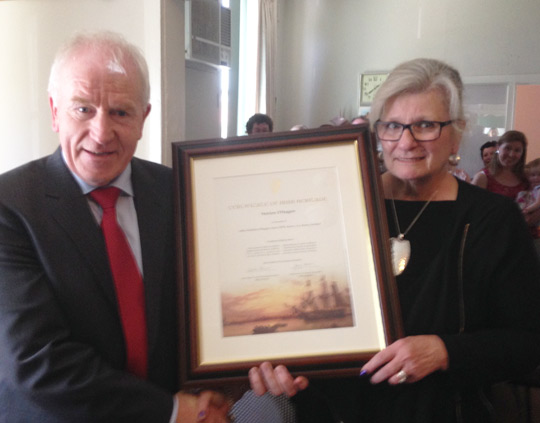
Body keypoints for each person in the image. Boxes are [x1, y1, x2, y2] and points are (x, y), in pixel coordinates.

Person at [248, 58, 540, 422]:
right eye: (392, 126)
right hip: (329, 411)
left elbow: (527, 343)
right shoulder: (334, 203)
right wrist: (271, 355)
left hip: (440, 412)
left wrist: (445, 351)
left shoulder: (493, 220)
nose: (406, 141)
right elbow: (291, 303)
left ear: (456, 132)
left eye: (425, 125)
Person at [0, 31, 230, 422]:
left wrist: (231, 379)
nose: (101, 132)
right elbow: (37, 359)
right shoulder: (10, 206)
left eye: (120, 112)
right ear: (55, 112)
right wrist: (172, 412)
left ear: (144, 117)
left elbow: (207, 309)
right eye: (83, 109)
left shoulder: (179, 191)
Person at [471, 130, 529, 199]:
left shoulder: (527, 178)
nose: (511, 154)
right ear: (498, 147)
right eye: (507, 148)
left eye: (517, 150)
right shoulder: (482, 178)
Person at [516, 158, 540, 256]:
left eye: (539, 175)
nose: (536, 178)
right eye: (533, 175)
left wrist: (526, 210)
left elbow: (538, 203)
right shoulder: (532, 188)